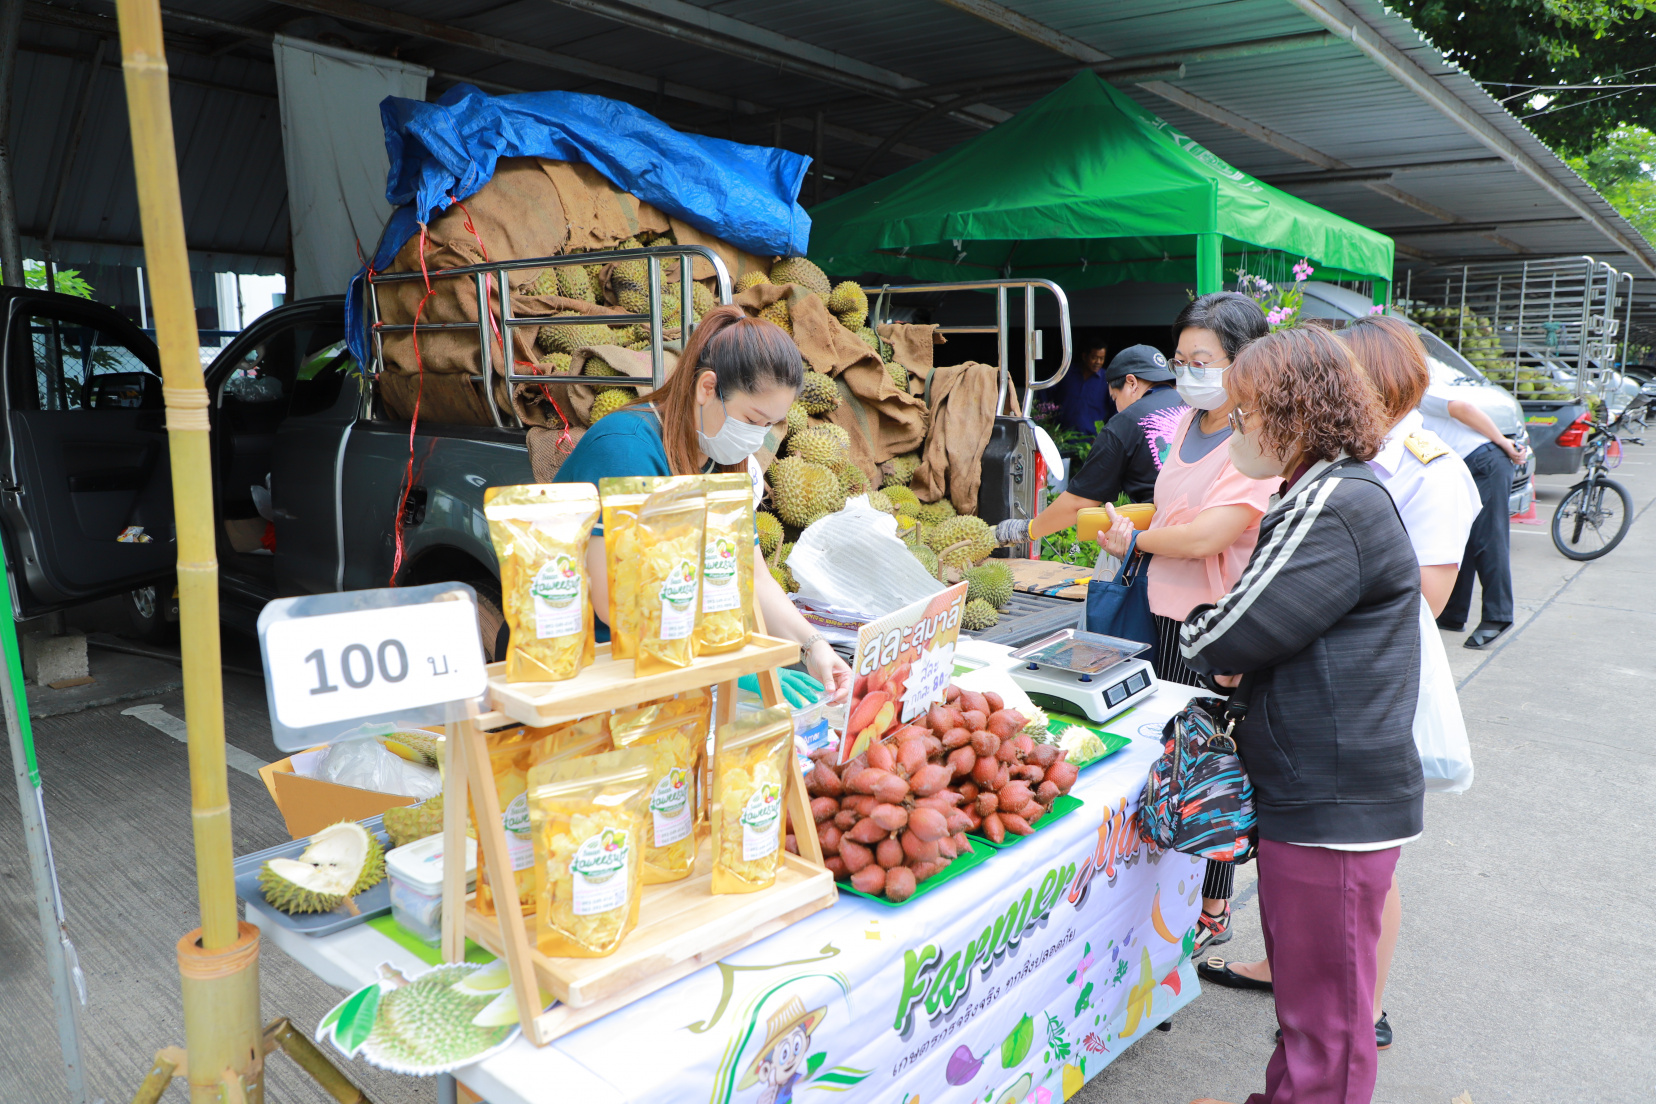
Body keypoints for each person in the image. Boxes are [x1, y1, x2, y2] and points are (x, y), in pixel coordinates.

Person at [1198, 314, 1480, 1053]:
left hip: (1334, 794)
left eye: (1247, 411)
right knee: (1308, 1009)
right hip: (1323, 784)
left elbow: (1231, 630)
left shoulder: (1335, 501)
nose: (1235, 425)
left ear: (1291, 414)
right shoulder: (1331, 488)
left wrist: (1220, 641)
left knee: (1328, 1022)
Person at [554, 305, 852, 702]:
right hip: (589, 667)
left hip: (671, 666)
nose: (757, 438)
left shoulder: (724, 461)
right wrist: (727, 668)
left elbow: (751, 576)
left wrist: (813, 648)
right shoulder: (626, 449)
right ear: (706, 388)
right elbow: (615, 602)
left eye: (769, 426)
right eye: (753, 419)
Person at [1096, 293, 1275, 952]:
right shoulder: (1182, 424)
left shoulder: (1259, 439)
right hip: (1164, 613)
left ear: (1245, 362)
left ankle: (1212, 912)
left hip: (1219, 623)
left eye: (1204, 360)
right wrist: (1130, 527)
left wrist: (1136, 543)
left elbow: (1208, 537)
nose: (1190, 371)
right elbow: (1172, 512)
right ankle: (1163, 904)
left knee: (1214, 769)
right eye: (1182, 359)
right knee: (1171, 757)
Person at [992, 345, 1187, 547]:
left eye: (1114, 398)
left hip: (1166, 543)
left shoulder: (1125, 422)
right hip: (1209, 532)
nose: (1117, 407)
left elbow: (1078, 504)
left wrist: (1027, 530)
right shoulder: (1199, 410)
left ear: (1131, 383)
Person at [1417, 372, 1526, 648]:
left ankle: (1498, 616)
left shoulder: (1421, 390)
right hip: (1462, 467)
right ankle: (1453, 614)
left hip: (1484, 461)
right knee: (1460, 535)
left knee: (1489, 539)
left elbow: (1462, 408)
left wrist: (1502, 441)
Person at [1056, 339, 1112, 435]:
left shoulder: (1107, 380)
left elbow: (1116, 411)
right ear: (1084, 356)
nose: (1098, 362)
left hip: (1091, 440)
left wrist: (1103, 436)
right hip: (1061, 436)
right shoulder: (1066, 374)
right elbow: (1046, 398)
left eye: (1101, 358)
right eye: (1094, 357)